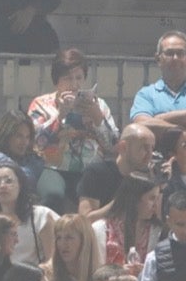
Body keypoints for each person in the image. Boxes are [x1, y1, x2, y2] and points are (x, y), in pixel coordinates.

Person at [28, 48, 121, 209]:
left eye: (79, 78)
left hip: (90, 168)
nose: (74, 84)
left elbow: (113, 145)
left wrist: (97, 118)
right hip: (53, 167)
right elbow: (35, 142)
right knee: (53, 195)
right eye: (67, 78)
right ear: (57, 81)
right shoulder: (41, 104)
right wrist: (60, 115)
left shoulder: (98, 105)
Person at [130, 31, 186, 161]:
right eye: (169, 53)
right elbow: (142, 126)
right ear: (158, 59)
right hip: (162, 170)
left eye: (180, 53)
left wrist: (160, 118)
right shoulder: (146, 94)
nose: (175, 58)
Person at [77, 123, 156, 219]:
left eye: (152, 148)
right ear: (123, 147)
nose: (150, 154)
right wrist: (120, 200)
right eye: (144, 147)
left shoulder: (151, 178)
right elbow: (86, 220)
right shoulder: (97, 173)